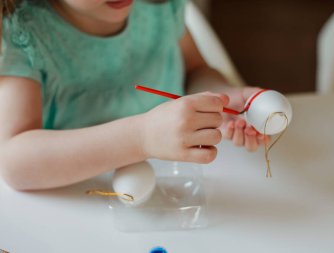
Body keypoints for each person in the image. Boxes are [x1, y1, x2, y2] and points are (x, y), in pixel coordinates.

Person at [0, 0, 268, 191]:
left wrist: (220, 98)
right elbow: (15, 161)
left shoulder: (157, 7)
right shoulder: (24, 34)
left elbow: (195, 69)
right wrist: (141, 138)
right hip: (81, 197)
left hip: (174, 188)